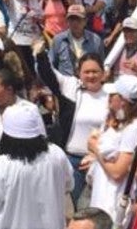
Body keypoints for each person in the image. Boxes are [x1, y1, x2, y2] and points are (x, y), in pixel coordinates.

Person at [34, 45, 108, 205]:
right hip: (72, 160)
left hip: (99, 161)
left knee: (96, 207)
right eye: (86, 72)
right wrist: (40, 54)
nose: (91, 75)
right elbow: (48, 74)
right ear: (78, 73)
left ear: (103, 73)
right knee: (77, 208)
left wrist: (97, 156)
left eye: (95, 71)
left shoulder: (111, 94)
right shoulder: (71, 86)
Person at [85, 74, 137, 229]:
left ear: (123, 101)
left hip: (114, 199)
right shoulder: (121, 125)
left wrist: (96, 150)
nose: (109, 98)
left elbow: (118, 171)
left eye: (113, 95)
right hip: (102, 195)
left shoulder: (134, 128)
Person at [50, 3, 106, 76]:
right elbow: (51, 64)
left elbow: (100, 64)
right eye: (72, 19)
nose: (75, 23)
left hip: (88, 82)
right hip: (66, 83)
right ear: (67, 21)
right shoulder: (59, 40)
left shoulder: (95, 40)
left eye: (78, 19)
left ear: (85, 21)